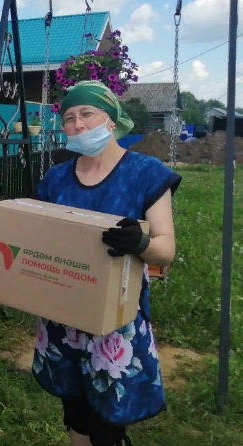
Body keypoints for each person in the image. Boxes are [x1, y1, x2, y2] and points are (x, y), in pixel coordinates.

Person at [31, 80, 181, 446]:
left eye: (87, 113)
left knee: (108, 421)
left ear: (112, 118)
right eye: (69, 118)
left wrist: (140, 243)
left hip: (116, 319)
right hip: (63, 313)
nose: (78, 124)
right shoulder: (56, 178)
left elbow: (165, 249)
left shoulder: (146, 173)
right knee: (75, 413)